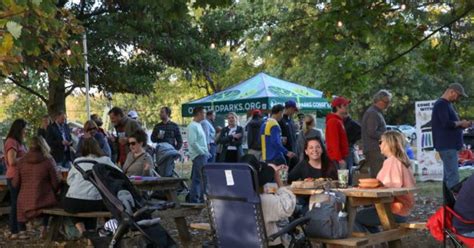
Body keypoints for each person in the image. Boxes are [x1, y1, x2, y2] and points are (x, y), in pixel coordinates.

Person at [355, 131, 416, 233]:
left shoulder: (392, 162)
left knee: (355, 218)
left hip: (394, 210)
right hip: (403, 210)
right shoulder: (402, 160)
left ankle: (376, 242)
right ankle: (379, 241)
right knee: (362, 216)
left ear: (389, 143)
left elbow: (388, 188)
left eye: (381, 142)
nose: (379, 145)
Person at [63, 137, 120, 239]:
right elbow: (119, 173)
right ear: (97, 147)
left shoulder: (77, 161)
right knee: (95, 200)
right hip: (94, 202)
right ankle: (90, 238)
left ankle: (82, 230)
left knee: (67, 204)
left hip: (73, 202)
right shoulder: (105, 160)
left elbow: (69, 181)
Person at [241, 155, 296, 248]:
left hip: (238, 242)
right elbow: (289, 206)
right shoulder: (263, 200)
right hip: (268, 243)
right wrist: (279, 181)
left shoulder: (226, 199)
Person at [13, 136, 59, 239]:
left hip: (25, 202)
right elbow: (56, 182)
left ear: (29, 146)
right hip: (44, 199)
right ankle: (44, 227)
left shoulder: (21, 161)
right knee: (52, 198)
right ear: (44, 145)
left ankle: (22, 231)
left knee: (18, 201)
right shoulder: (48, 160)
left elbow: (15, 183)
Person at [431, 83, 471, 189]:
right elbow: (446, 123)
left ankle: (447, 202)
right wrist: (460, 123)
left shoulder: (447, 104)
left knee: (448, 176)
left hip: (449, 146)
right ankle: (453, 203)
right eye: (458, 95)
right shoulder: (441, 104)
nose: (458, 98)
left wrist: (462, 124)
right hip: (447, 146)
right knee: (453, 176)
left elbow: (451, 125)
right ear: (451, 91)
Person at [4, 119, 28, 239]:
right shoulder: (11, 142)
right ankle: (14, 230)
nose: (26, 131)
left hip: (21, 176)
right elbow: (12, 161)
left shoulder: (19, 142)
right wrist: (26, 159)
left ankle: (21, 228)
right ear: (19, 129)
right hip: (14, 176)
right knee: (15, 204)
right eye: (25, 129)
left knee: (20, 203)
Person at [361, 90, 392, 177]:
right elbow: (371, 132)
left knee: (379, 174)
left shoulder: (375, 112)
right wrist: (387, 136)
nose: (388, 104)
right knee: (379, 175)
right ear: (379, 101)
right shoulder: (373, 113)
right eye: (386, 102)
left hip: (375, 149)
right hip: (374, 150)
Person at [187, 107, 209, 203]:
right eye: (204, 113)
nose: (205, 115)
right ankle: (197, 199)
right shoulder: (192, 126)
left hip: (202, 154)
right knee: (201, 177)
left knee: (197, 177)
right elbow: (193, 142)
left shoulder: (198, 125)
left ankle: (197, 198)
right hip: (198, 155)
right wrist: (202, 151)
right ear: (199, 113)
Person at [326, 97, 351, 169]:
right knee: (340, 180)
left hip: (339, 158)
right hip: (337, 160)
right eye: (344, 105)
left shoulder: (337, 121)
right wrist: (339, 159)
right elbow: (333, 142)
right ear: (338, 107)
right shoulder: (333, 121)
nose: (347, 107)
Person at [279, 100, 299, 169]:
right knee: (285, 174)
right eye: (293, 110)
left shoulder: (290, 121)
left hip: (293, 152)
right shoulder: (281, 120)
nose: (294, 112)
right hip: (286, 153)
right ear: (290, 108)